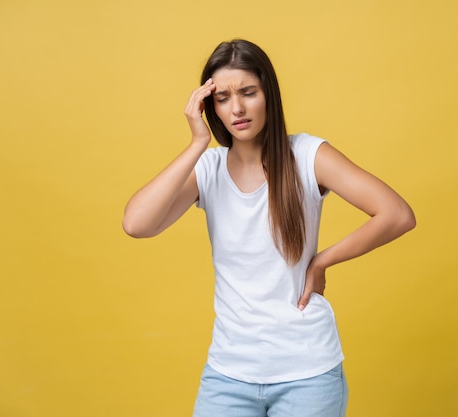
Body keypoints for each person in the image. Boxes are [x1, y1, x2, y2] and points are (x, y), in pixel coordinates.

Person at [122, 39, 415, 417]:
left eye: (248, 92)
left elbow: (397, 214)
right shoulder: (208, 170)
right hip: (228, 373)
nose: (238, 108)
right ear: (209, 106)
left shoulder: (308, 156)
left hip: (307, 373)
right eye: (223, 98)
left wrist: (321, 261)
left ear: (268, 95)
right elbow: (136, 224)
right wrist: (197, 142)